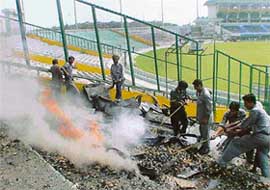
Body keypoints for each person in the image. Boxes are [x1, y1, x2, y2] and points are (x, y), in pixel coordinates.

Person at [217, 94, 270, 178]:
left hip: (260, 136)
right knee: (263, 157)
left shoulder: (254, 111)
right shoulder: (259, 106)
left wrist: (230, 131)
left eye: (246, 103)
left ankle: (221, 163)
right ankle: (267, 178)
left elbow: (244, 125)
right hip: (267, 138)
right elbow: (242, 124)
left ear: (251, 102)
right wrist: (227, 129)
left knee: (235, 143)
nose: (245, 105)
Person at [192, 79, 213, 155]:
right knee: (202, 131)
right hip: (201, 116)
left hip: (206, 118)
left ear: (200, 85)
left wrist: (205, 118)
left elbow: (209, 108)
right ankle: (203, 145)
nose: (195, 88)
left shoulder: (205, 94)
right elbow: (200, 100)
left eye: (196, 86)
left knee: (205, 133)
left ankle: (207, 148)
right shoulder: (199, 92)